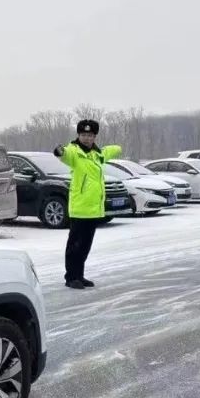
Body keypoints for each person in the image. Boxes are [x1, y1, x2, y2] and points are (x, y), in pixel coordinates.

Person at [53, 119, 122, 289]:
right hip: (79, 208)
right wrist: (59, 151)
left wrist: (118, 148)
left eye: (90, 135)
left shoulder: (97, 154)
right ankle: (71, 277)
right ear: (78, 135)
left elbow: (113, 150)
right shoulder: (74, 153)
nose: (86, 138)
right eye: (83, 135)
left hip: (93, 209)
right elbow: (64, 155)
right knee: (74, 245)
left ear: (94, 136)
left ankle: (80, 275)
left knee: (85, 246)